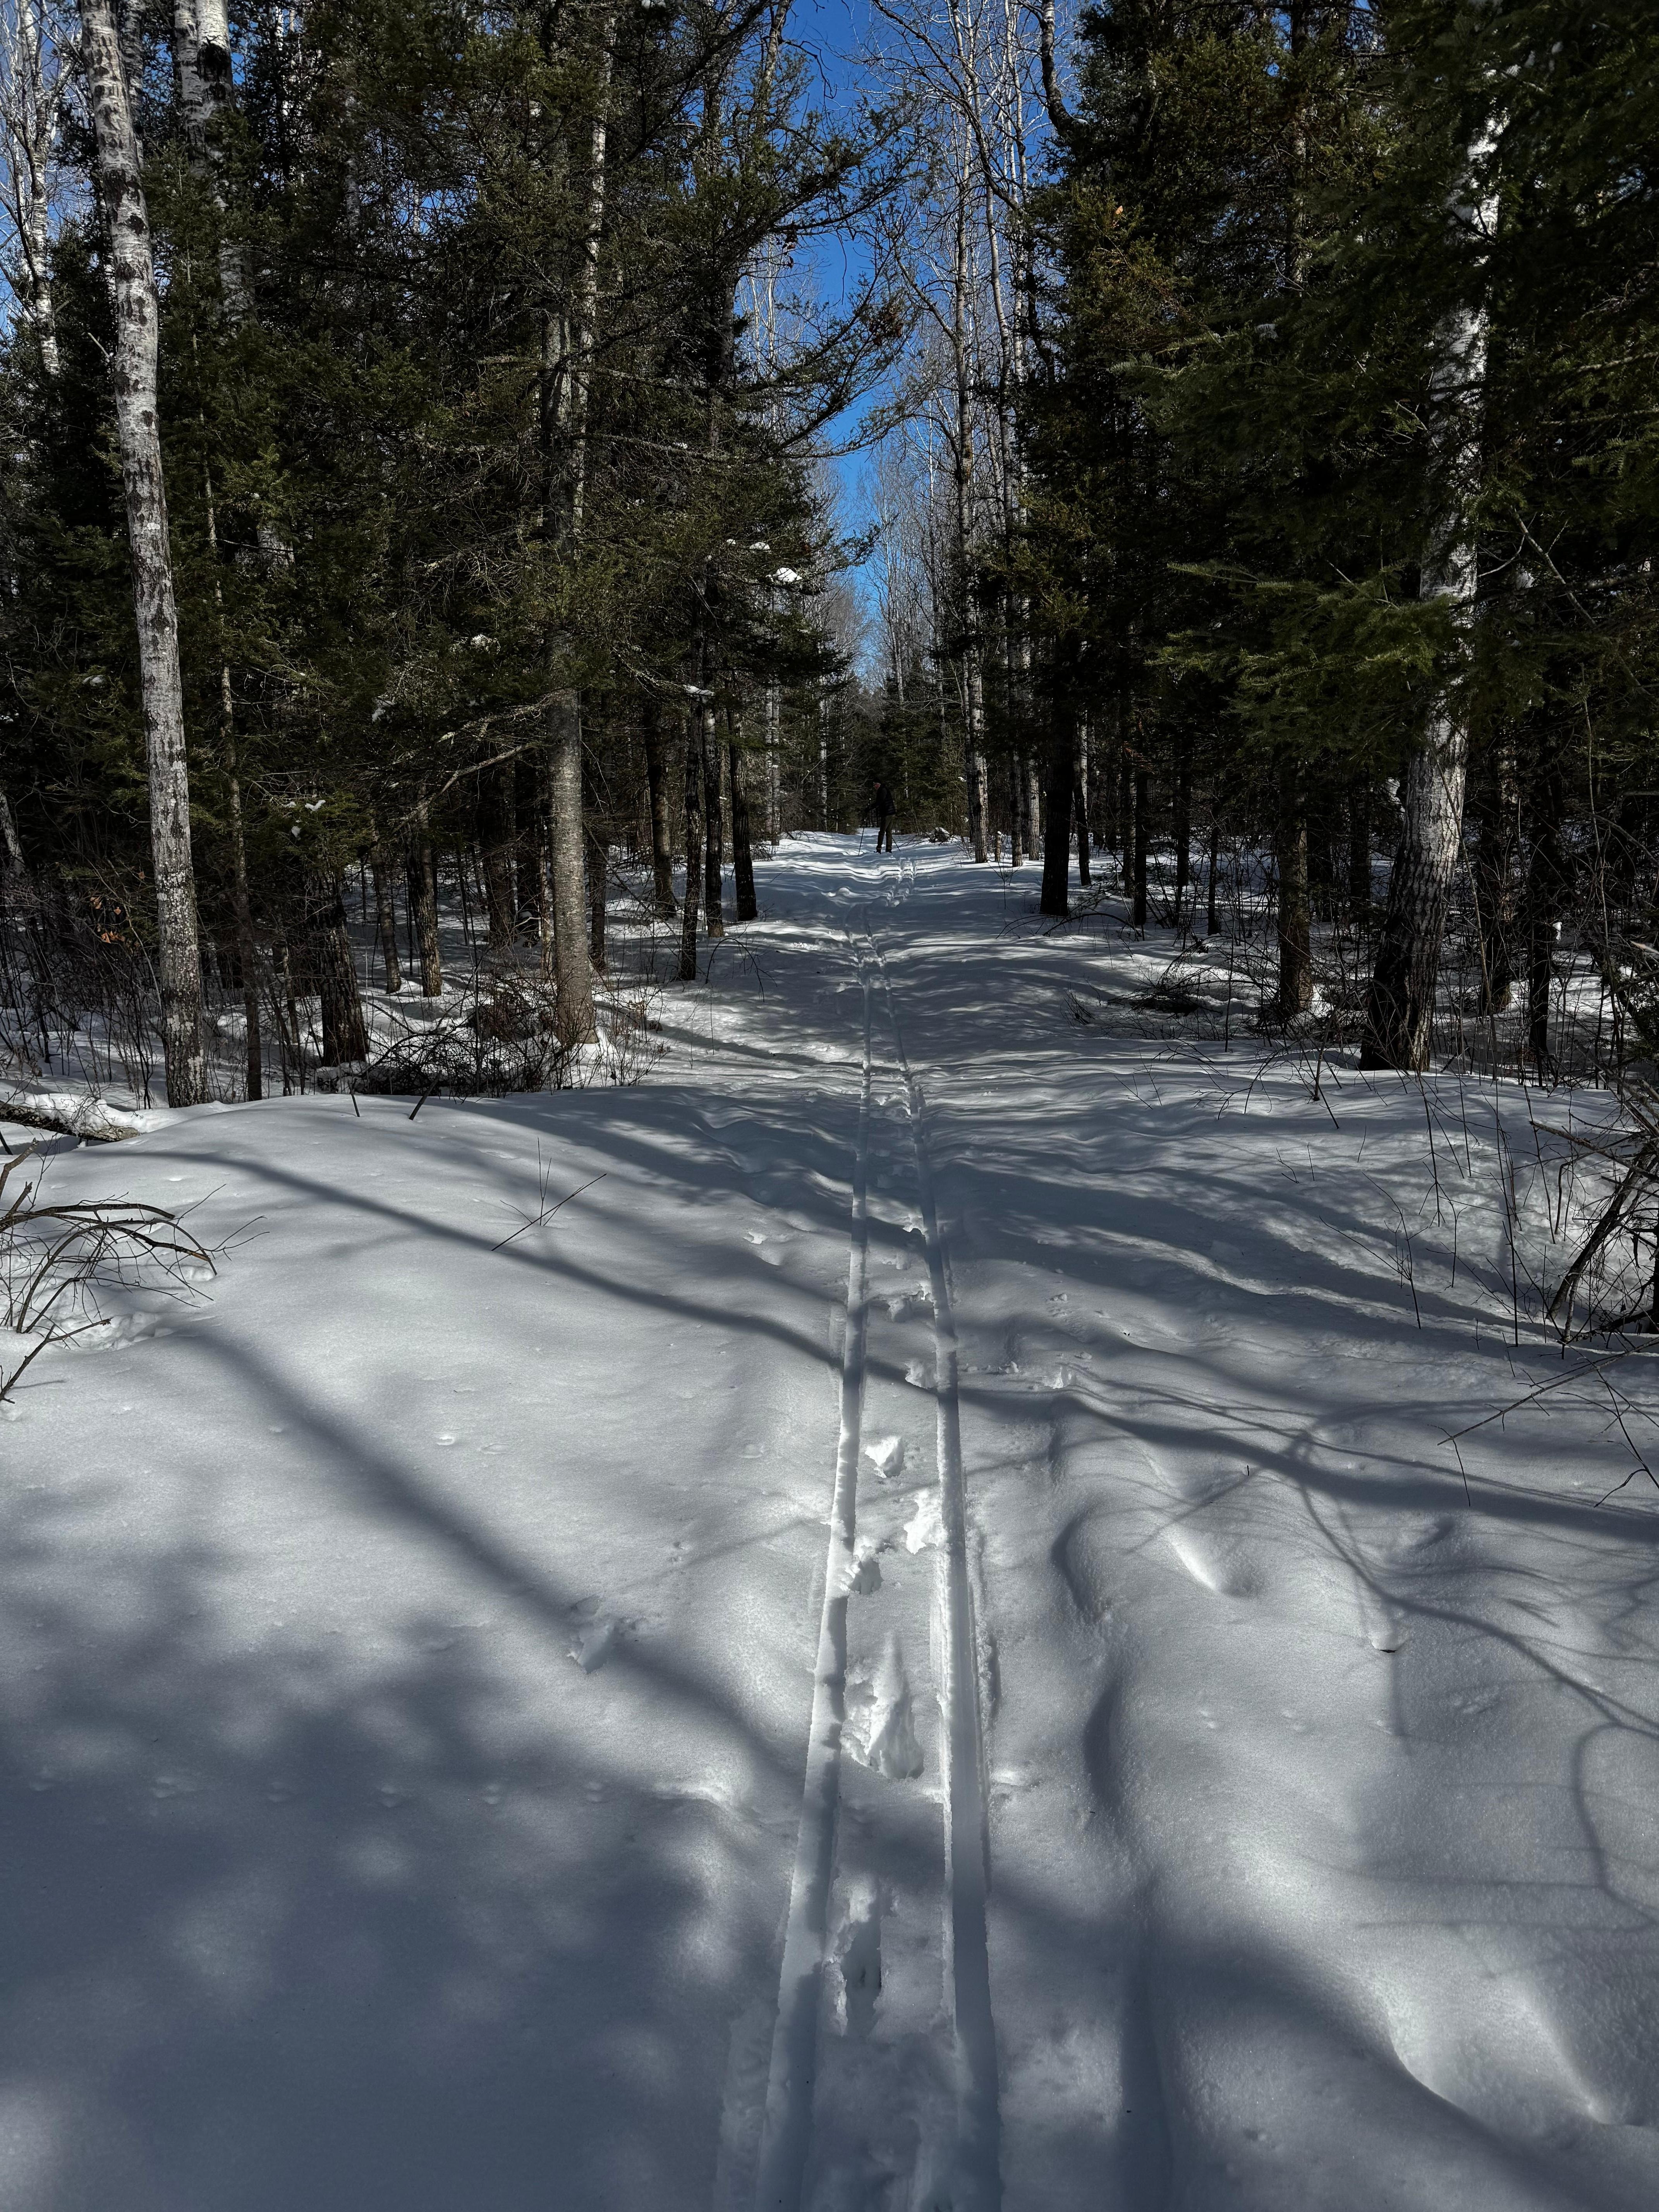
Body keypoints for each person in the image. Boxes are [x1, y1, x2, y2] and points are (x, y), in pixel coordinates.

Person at [871, 778, 896, 853]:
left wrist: (871, 807)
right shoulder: (884, 789)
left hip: (887, 813)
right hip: (891, 813)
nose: (875, 787)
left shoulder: (882, 790)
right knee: (889, 831)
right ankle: (889, 849)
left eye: (875, 785)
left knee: (882, 832)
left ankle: (879, 849)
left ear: (878, 784)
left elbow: (880, 802)